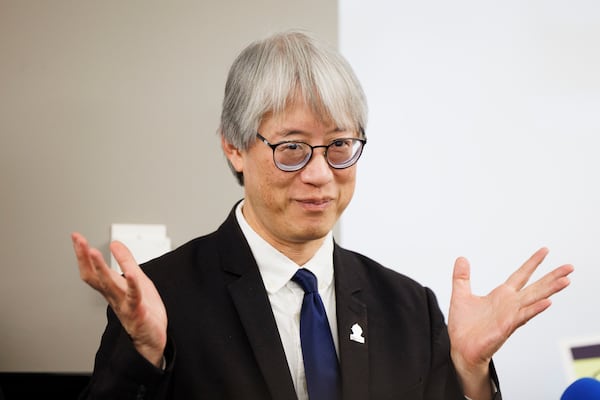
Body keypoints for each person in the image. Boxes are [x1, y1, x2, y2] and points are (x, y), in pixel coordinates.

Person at [71, 30, 574, 400]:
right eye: (292, 148)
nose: (319, 174)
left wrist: (469, 373)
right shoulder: (163, 299)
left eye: (338, 145)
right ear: (234, 148)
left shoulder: (409, 307)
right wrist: (144, 356)